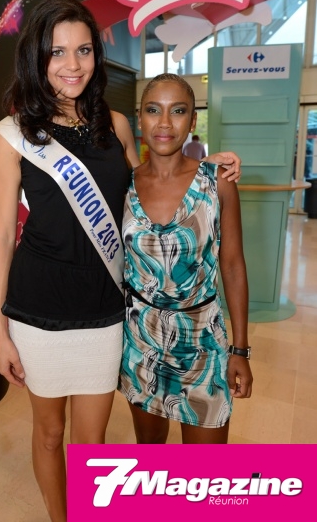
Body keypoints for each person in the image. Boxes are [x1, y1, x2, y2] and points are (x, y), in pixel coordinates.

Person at [0, 0, 242, 521]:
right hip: (38, 310)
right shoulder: (13, 136)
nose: (73, 64)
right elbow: (2, 238)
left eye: (83, 50)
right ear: (37, 57)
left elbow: (153, 180)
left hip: (107, 312)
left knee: (93, 441)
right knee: (49, 433)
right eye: (58, 52)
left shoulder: (117, 125)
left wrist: (206, 162)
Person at [119, 73, 252, 445]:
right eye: (153, 110)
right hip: (140, 343)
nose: (164, 123)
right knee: (152, 456)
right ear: (140, 119)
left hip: (203, 344)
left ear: (193, 121)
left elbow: (233, 266)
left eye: (177, 111)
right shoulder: (123, 185)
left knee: (204, 471)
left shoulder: (217, 182)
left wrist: (240, 350)